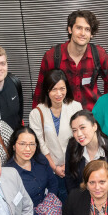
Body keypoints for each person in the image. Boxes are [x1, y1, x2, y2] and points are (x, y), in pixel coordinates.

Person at [33, 10, 108, 111]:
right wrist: (38, 117)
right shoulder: (52, 56)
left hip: (91, 114)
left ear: (92, 34)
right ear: (70, 29)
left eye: (87, 29)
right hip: (62, 116)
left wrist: (106, 109)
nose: (83, 33)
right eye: (79, 28)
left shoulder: (99, 55)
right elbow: (40, 91)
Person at [28, 69, 83, 201]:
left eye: (62, 88)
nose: (59, 94)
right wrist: (55, 167)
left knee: (75, 201)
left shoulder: (75, 107)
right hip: (49, 168)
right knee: (55, 203)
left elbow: (80, 138)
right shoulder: (37, 113)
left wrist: (68, 165)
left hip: (73, 165)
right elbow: (40, 143)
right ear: (47, 90)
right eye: (54, 89)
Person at [5, 127, 61, 215]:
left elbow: (53, 183)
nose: (28, 149)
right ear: (14, 146)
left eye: (32, 144)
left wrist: (47, 208)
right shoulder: (8, 172)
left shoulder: (41, 159)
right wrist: (40, 214)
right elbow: (14, 208)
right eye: (23, 144)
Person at [65, 110, 108, 191]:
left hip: (107, 200)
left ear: (94, 127)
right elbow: (69, 178)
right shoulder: (72, 145)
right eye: (74, 130)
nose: (78, 134)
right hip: (80, 198)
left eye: (82, 127)